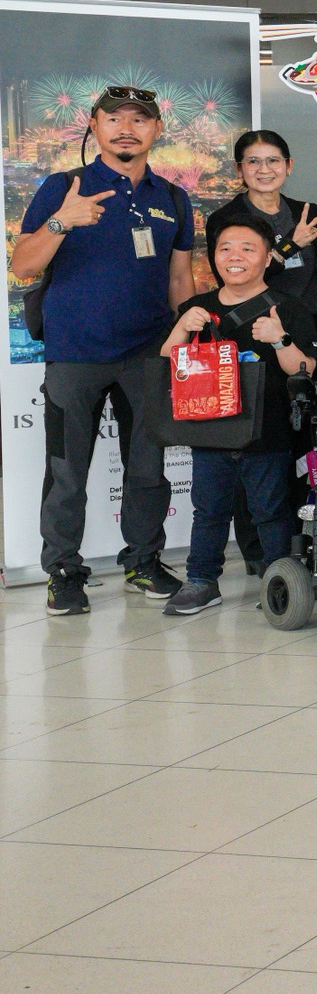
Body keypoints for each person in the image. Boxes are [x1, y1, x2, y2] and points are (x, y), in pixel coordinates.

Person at [13, 86, 194, 614]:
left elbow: (179, 277)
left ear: (156, 130)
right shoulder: (63, 186)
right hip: (74, 353)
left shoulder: (172, 197)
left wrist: (186, 342)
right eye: (113, 118)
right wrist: (62, 221)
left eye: (139, 120)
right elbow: (23, 266)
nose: (126, 128)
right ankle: (64, 571)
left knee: (148, 468)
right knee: (67, 470)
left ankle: (143, 560)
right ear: (93, 126)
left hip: (147, 353)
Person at [157, 219, 317, 615]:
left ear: (268, 258)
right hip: (210, 430)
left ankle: (280, 578)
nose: (235, 257)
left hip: (268, 432)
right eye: (226, 248)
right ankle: (201, 580)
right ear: (213, 257)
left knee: (270, 510)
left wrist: (279, 338)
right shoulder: (198, 308)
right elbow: (167, 360)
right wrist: (182, 327)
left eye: (248, 248)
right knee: (209, 510)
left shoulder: (289, 307)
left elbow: (307, 368)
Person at [208, 129, 317, 360]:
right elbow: (231, 280)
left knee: (316, 392)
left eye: (273, 160)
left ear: (288, 165)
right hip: (256, 331)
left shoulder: (307, 213)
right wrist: (290, 245)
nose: (264, 170)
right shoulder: (226, 220)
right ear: (239, 169)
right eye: (253, 161)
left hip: (315, 328)